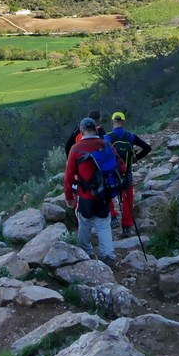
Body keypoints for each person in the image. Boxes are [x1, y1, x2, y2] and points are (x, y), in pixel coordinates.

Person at [64, 116, 126, 267]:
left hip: (85, 196)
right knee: (103, 225)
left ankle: (85, 253)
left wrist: (68, 196)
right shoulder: (105, 144)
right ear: (96, 129)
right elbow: (121, 166)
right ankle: (108, 256)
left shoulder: (76, 148)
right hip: (104, 193)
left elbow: (69, 176)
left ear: (82, 131)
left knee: (84, 223)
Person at [105, 111, 151, 238]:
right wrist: (136, 158)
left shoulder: (107, 137)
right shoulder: (130, 136)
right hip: (126, 172)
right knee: (127, 198)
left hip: (111, 173)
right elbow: (147, 148)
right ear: (123, 122)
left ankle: (113, 217)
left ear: (112, 122)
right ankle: (126, 227)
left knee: (107, 195)